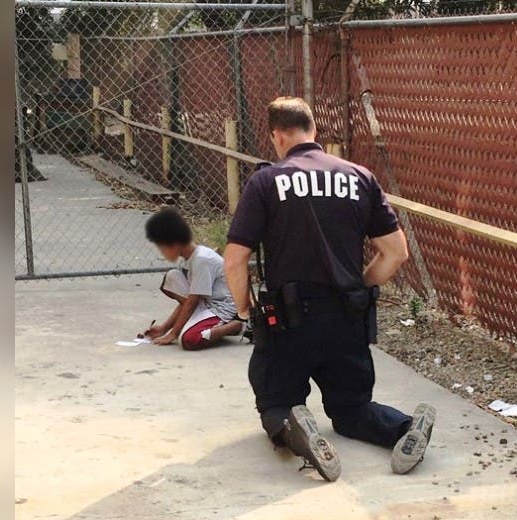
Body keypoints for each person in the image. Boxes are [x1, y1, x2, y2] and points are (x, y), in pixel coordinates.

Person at [223, 97, 436, 482]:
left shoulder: (266, 182)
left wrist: (243, 310)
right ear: (313, 131)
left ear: (277, 136)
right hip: (346, 320)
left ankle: (297, 427)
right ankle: (406, 428)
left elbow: (235, 259)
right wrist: (358, 287)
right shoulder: (359, 176)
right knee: (352, 409)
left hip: (289, 324)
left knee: (274, 400)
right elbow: (395, 253)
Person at [143, 208, 246, 350]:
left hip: (221, 308)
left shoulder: (201, 259)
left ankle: (235, 327)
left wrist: (173, 334)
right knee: (172, 277)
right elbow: (187, 301)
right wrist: (163, 329)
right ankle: (199, 322)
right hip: (205, 301)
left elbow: (192, 301)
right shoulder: (188, 259)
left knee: (189, 339)